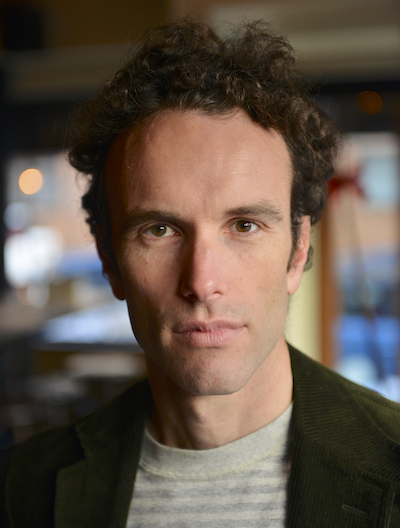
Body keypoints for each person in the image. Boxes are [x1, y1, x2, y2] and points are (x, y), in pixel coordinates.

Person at [2, 17, 400, 528]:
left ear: (298, 248)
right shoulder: (21, 490)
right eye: (160, 230)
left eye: (245, 225)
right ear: (108, 258)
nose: (202, 282)